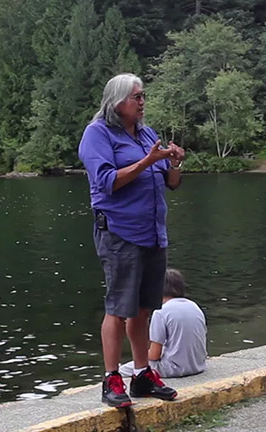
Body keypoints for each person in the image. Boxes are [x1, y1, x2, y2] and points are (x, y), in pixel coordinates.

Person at [78, 73, 182, 407]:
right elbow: (107, 181)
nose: (142, 102)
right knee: (118, 308)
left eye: (143, 96)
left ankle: (141, 375)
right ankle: (111, 379)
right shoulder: (97, 135)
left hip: (152, 233)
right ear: (117, 101)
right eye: (136, 96)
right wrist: (147, 161)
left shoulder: (146, 133)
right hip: (119, 233)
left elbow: (171, 182)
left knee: (142, 309)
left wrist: (175, 162)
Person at [118, 269, 207, 378]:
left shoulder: (161, 312)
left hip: (172, 369)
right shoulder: (194, 307)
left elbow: (154, 355)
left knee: (123, 370)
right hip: (198, 366)